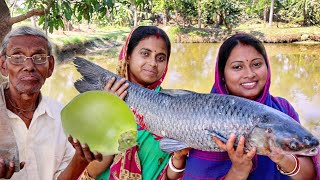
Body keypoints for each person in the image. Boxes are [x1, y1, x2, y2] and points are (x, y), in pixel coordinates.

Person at [167, 33, 317, 179]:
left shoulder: (282, 108)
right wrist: (239, 169)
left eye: (256, 64)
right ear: (222, 75)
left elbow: (309, 174)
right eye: (237, 67)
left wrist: (284, 158)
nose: (250, 74)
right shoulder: (198, 114)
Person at [80, 26, 184, 180]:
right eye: (145, 54)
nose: (153, 63)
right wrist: (111, 115)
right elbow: (92, 171)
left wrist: (179, 157)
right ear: (128, 56)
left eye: (161, 58)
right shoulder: (101, 101)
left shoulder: (174, 107)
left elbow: (170, 176)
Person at [0, 26, 100, 179]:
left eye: (39, 58)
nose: (29, 67)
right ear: (3, 66)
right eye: (17, 57)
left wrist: (81, 160)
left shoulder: (64, 117)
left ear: (51, 66)